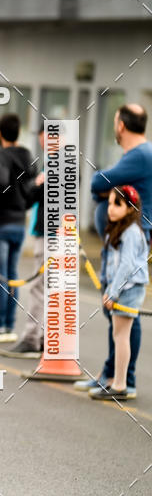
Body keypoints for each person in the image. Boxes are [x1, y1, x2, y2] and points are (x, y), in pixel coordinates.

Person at [80, 104, 152, 396]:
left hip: (125, 248)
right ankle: (111, 375)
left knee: (123, 317)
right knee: (116, 321)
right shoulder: (136, 157)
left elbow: (98, 182)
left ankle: (123, 380)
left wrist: (106, 190)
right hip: (117, 243)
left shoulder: (141, 156)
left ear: (121, 125)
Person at [0, 113, 38, 342]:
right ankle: (9, 324)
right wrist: (23, 202)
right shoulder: (27, 156)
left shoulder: (1, 156)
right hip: (18, 221)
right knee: (12, 274)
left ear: (0, 133)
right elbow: (32, 185)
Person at [88, 186, 149, 400]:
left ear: (131, 208)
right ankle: (116, 379)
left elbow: (126, 266)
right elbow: (113, 263)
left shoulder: (131, 232)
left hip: (129, 290)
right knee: (118, 336)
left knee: (121, 337)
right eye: (110, 203)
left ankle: (121, 384)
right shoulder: (119, 229)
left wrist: (113, 293)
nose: (111, 209)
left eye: (118, 204)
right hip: (123, 288)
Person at [1, 124, 46, 358]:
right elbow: (30, 193)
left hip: (48, 233)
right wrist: (35, 185)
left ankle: (32, 338)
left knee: (39, 287)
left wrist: (37, 185)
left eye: (44, 138)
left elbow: (31, 193)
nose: (42, 144)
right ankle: (44, 337)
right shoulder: (64, 163)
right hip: (54, 232)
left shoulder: (57, 165)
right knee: (47, 287)